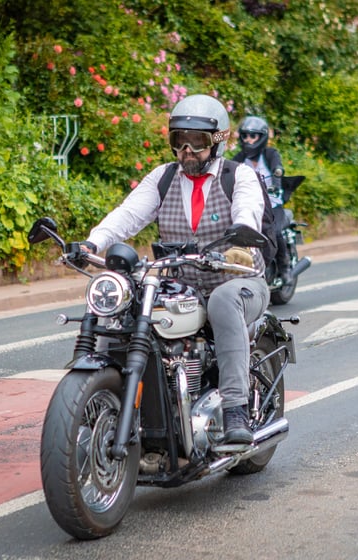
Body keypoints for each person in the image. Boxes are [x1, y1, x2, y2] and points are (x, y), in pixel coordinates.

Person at [78, 94, 269, 444]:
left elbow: (248, 210)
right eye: (179, 141)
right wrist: (93, 243)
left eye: (196, 141)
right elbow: (128, 214)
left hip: (238, 281)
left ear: (216, 141)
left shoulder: (239, 176)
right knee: (128, 304)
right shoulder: (163, 178)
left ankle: (236, 410)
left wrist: (243, 241)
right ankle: (108, 400)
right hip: (182, 285)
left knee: (223, 302)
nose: (187, 150)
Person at [232, 116, 292, 285]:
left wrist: (276, 180)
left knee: (276, 231)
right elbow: (229, 175)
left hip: (272, 204)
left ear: (262, 137)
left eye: (253, 136)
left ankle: (285, 267)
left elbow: (277, 168)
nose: (249, 140)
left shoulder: (270, 154)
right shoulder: (238, 159)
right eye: (245, 136)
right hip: (251, 205)